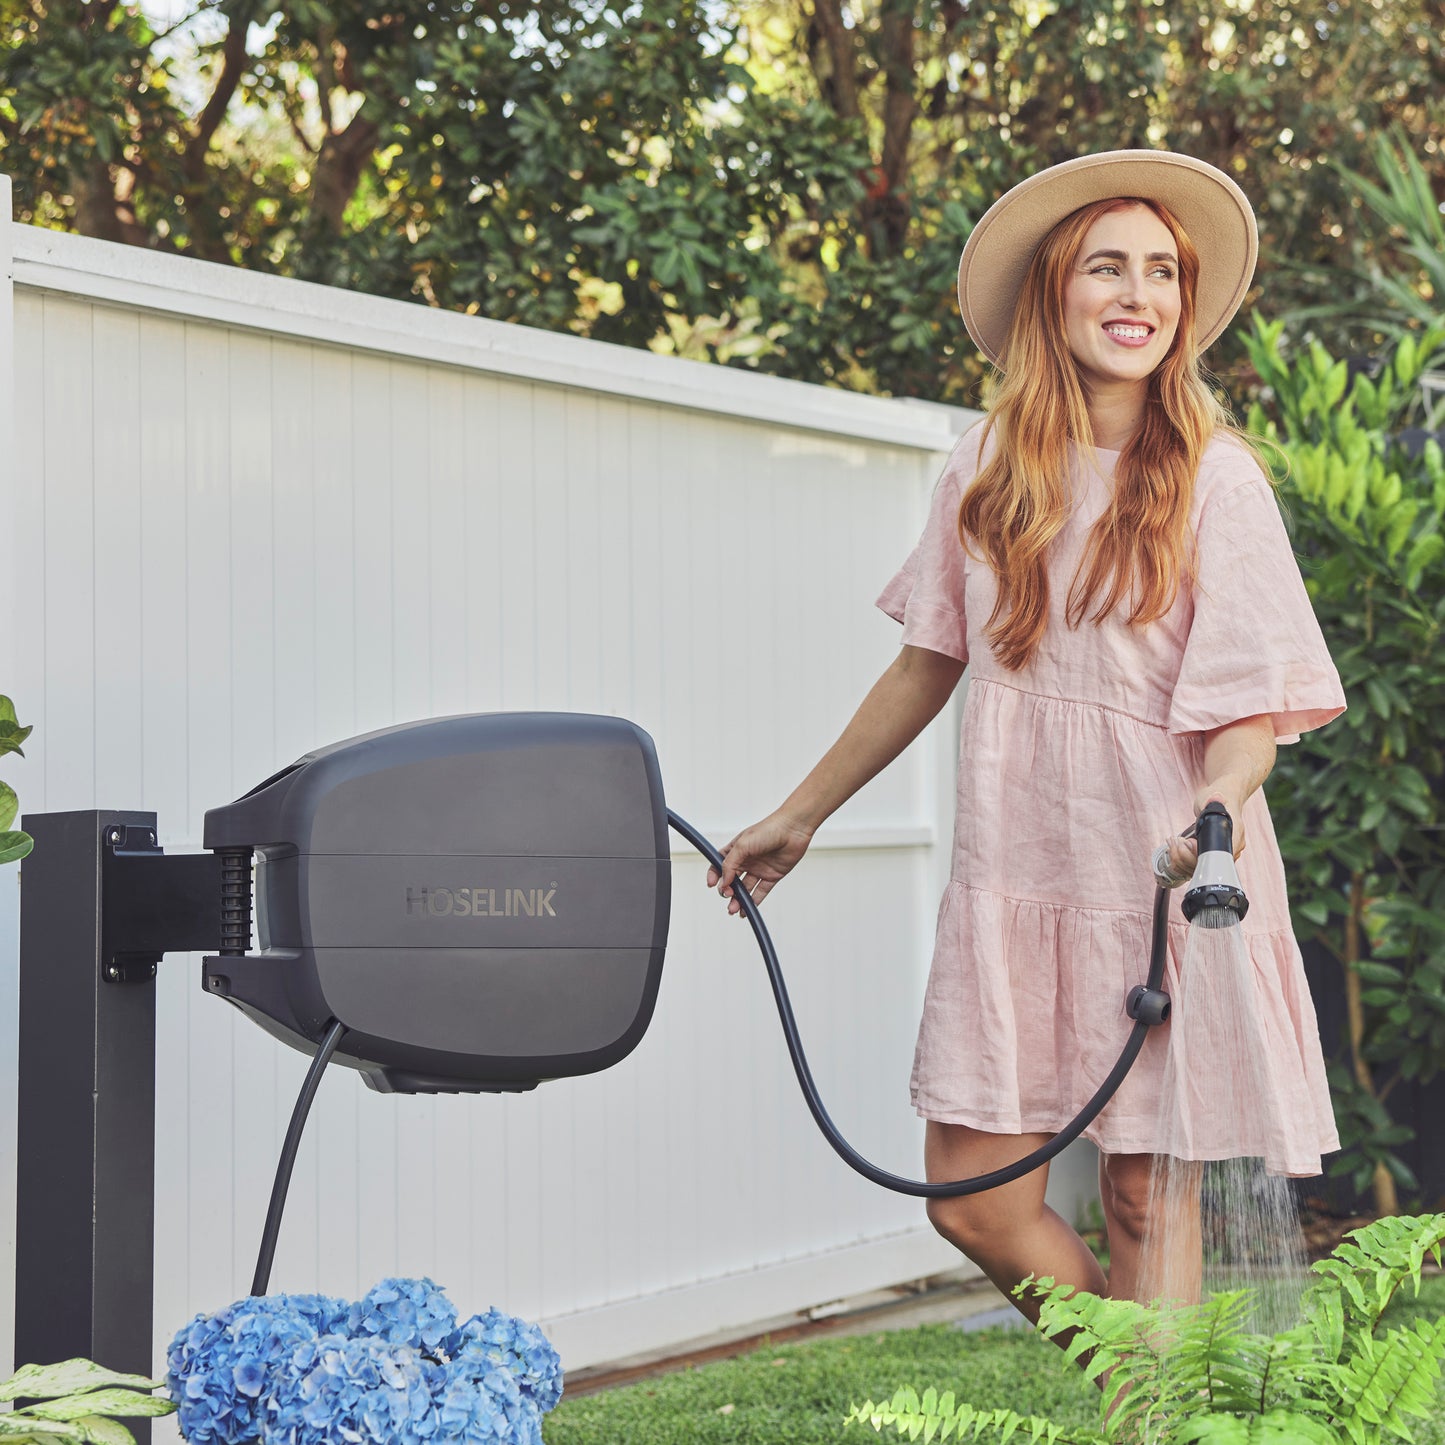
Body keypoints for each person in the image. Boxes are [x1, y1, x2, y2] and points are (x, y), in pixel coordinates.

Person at [705, 150, 1345, 1319]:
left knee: (1147, 1201)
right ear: (1055, 292)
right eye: (1107, 265)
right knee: (973, 1200)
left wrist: (1203, 819)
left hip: (1164, 876)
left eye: (1161, 272)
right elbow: (926, 661)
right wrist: (797, 814)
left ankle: (1147, 1419)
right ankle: (1147, 1398)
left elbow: (1247, 723)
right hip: (1020, 873)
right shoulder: (987, 467)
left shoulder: (1216, 478)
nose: (1136, 294)